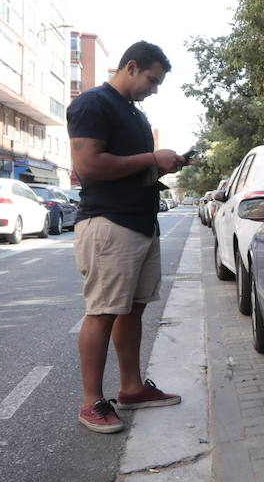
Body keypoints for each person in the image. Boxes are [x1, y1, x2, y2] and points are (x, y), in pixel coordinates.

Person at [66, 41, 189, 433]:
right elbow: (88, 165)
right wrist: (153, 158)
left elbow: (128, 167)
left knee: (132, 308)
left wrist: (164, 167)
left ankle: (132, 388)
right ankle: (91, 402)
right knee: (102, 310)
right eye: (152, 80)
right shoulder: (93, 103)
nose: (154, 89)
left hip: (139, 222)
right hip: (109, 223)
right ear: (131, 66)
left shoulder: (134, 114)